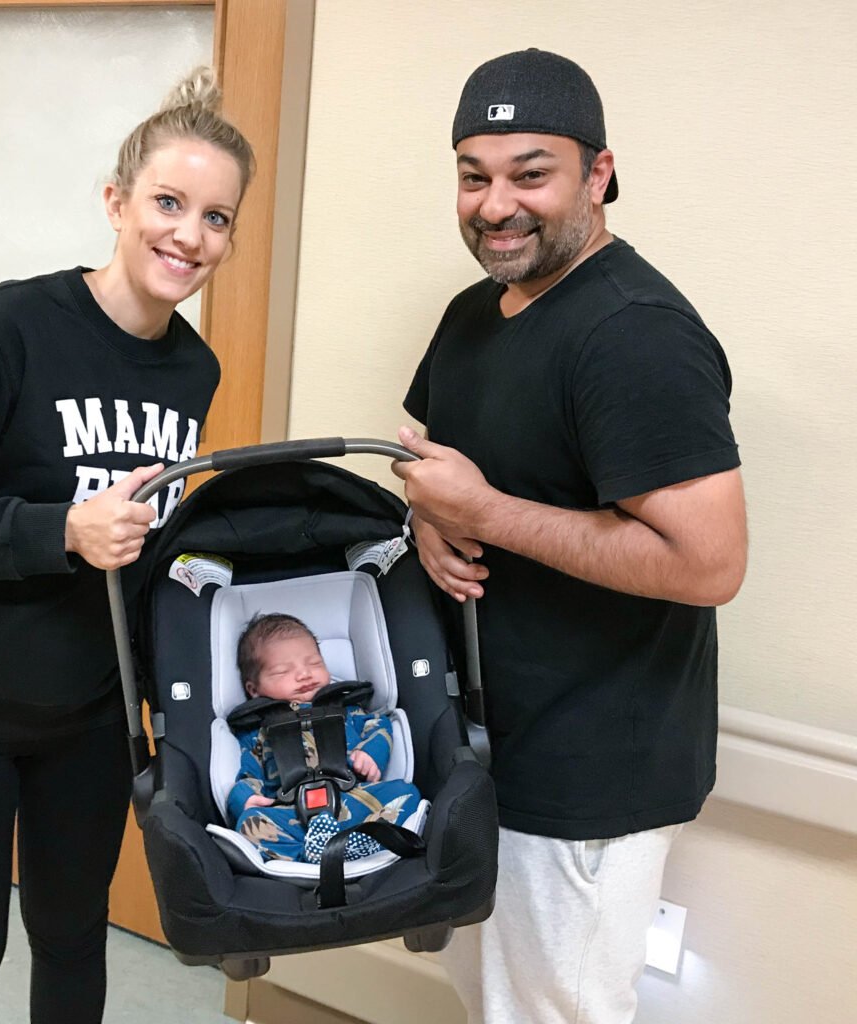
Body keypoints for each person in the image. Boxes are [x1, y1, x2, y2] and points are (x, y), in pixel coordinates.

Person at [0, 67, 254, 1024]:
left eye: (216, 217)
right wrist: (59, 531)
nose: (188, 236)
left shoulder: (194, 368)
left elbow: (147, 546)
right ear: (118, 203)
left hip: (86, 716)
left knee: (74, 938)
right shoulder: (4, 330)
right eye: (168, 202)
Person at [391, 49, 747, 1024]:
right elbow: (438, 465)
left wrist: (484, 514)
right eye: (473, 176)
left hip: (585, 777)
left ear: (598, 173)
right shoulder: (475, 314)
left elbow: (708, 562)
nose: (494, 204)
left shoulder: (635, 333)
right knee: (486, 999)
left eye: (530, 173)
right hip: (480, 752)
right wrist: (430, 512)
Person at [227, 613, 422, 863]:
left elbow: (379, 727)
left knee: (406, 793)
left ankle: (347, 842)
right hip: (291, 811)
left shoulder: (347, 709)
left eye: (314, 663)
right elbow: (248, 776)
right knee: (248, 825)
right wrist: (245, 799)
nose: (304, 675)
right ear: (253, 689)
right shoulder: (258, 731)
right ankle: (313, 852)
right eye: (283, 671)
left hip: (352, 798)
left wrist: (371, 754)